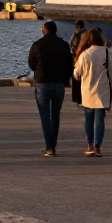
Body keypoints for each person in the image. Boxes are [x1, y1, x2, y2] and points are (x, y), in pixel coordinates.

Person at [28, 21, 73, 157]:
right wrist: (65, 78)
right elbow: (70, 65)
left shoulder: (37, 45)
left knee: (45, 116)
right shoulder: (64, 45)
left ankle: (50, 147)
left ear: (45, 30)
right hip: (59, 84)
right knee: (55, 115)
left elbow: (31, 63)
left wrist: (39, 71)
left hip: (42, 83)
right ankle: (53, 145)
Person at [73, 27, 112, 157]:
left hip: (87, 92)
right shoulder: (107, 52)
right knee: (100, 120)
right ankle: (97, 147)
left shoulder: (84, 54)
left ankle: (90, 145)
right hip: (102, 91)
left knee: (88, 120)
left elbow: (76, 74)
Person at [68, 20, 86, 105]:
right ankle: (83, 98)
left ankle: (76, 98)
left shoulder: (74, 35)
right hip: (85, 59)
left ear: (76, 27)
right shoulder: (86, 35)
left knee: (76, 79)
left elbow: (71, 46)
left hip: (76, 60)